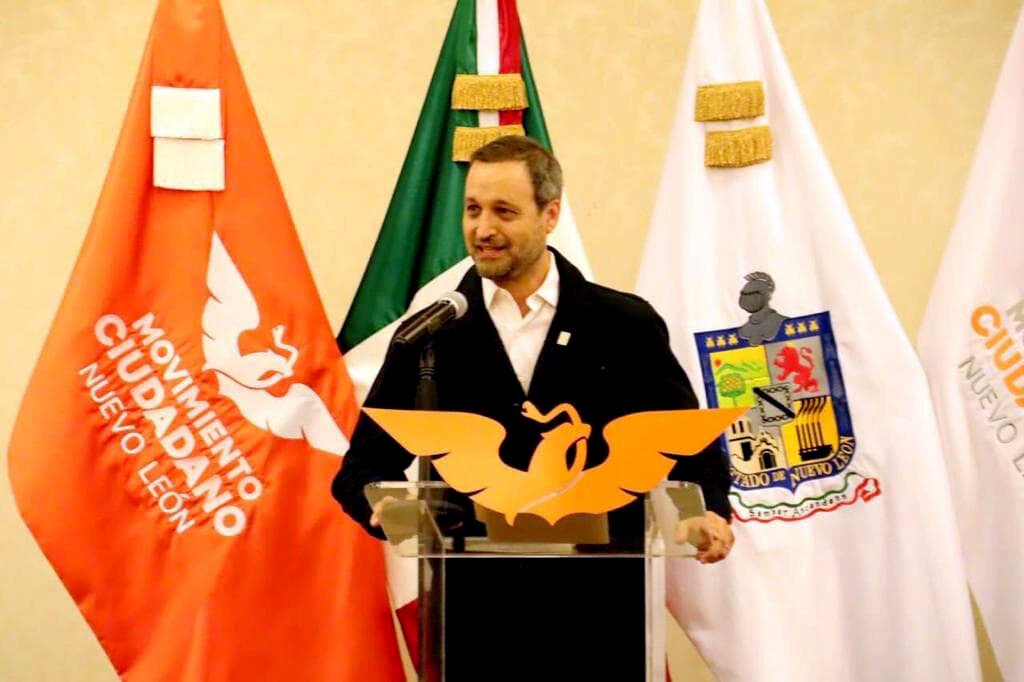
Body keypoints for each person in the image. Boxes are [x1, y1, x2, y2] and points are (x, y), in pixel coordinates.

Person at [333, 135, 733, 680]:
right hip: (476, 622)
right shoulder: (432, 332)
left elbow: (692, 444)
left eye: (504, 211)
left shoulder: (623, 324)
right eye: (472, 210)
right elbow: (362, 467)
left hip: (601, 615)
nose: (482, 229)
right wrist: (381, 506)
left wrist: (708, 510)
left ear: (550, 215)